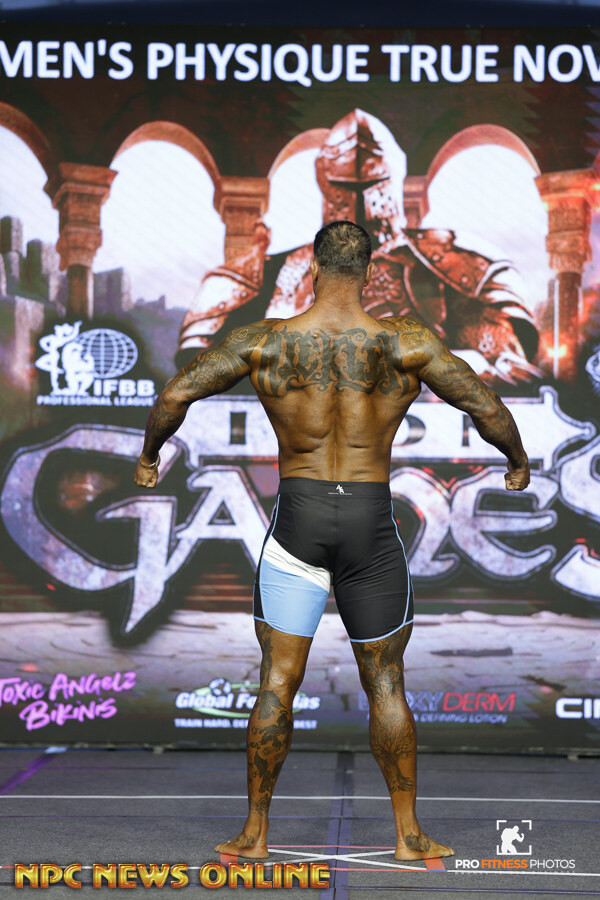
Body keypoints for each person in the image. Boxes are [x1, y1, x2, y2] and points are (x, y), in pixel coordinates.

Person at [134, 220, 530, 862]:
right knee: (387, 683)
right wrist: (516, 461)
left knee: (277, 680)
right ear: (371, 272)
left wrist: (150, 455)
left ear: (313, 268)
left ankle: (255, 834)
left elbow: (177, 392)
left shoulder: (266, 341)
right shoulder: (405, 342)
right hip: (371, 526)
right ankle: (408, 836)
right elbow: (485, 406)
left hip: (300, 521)